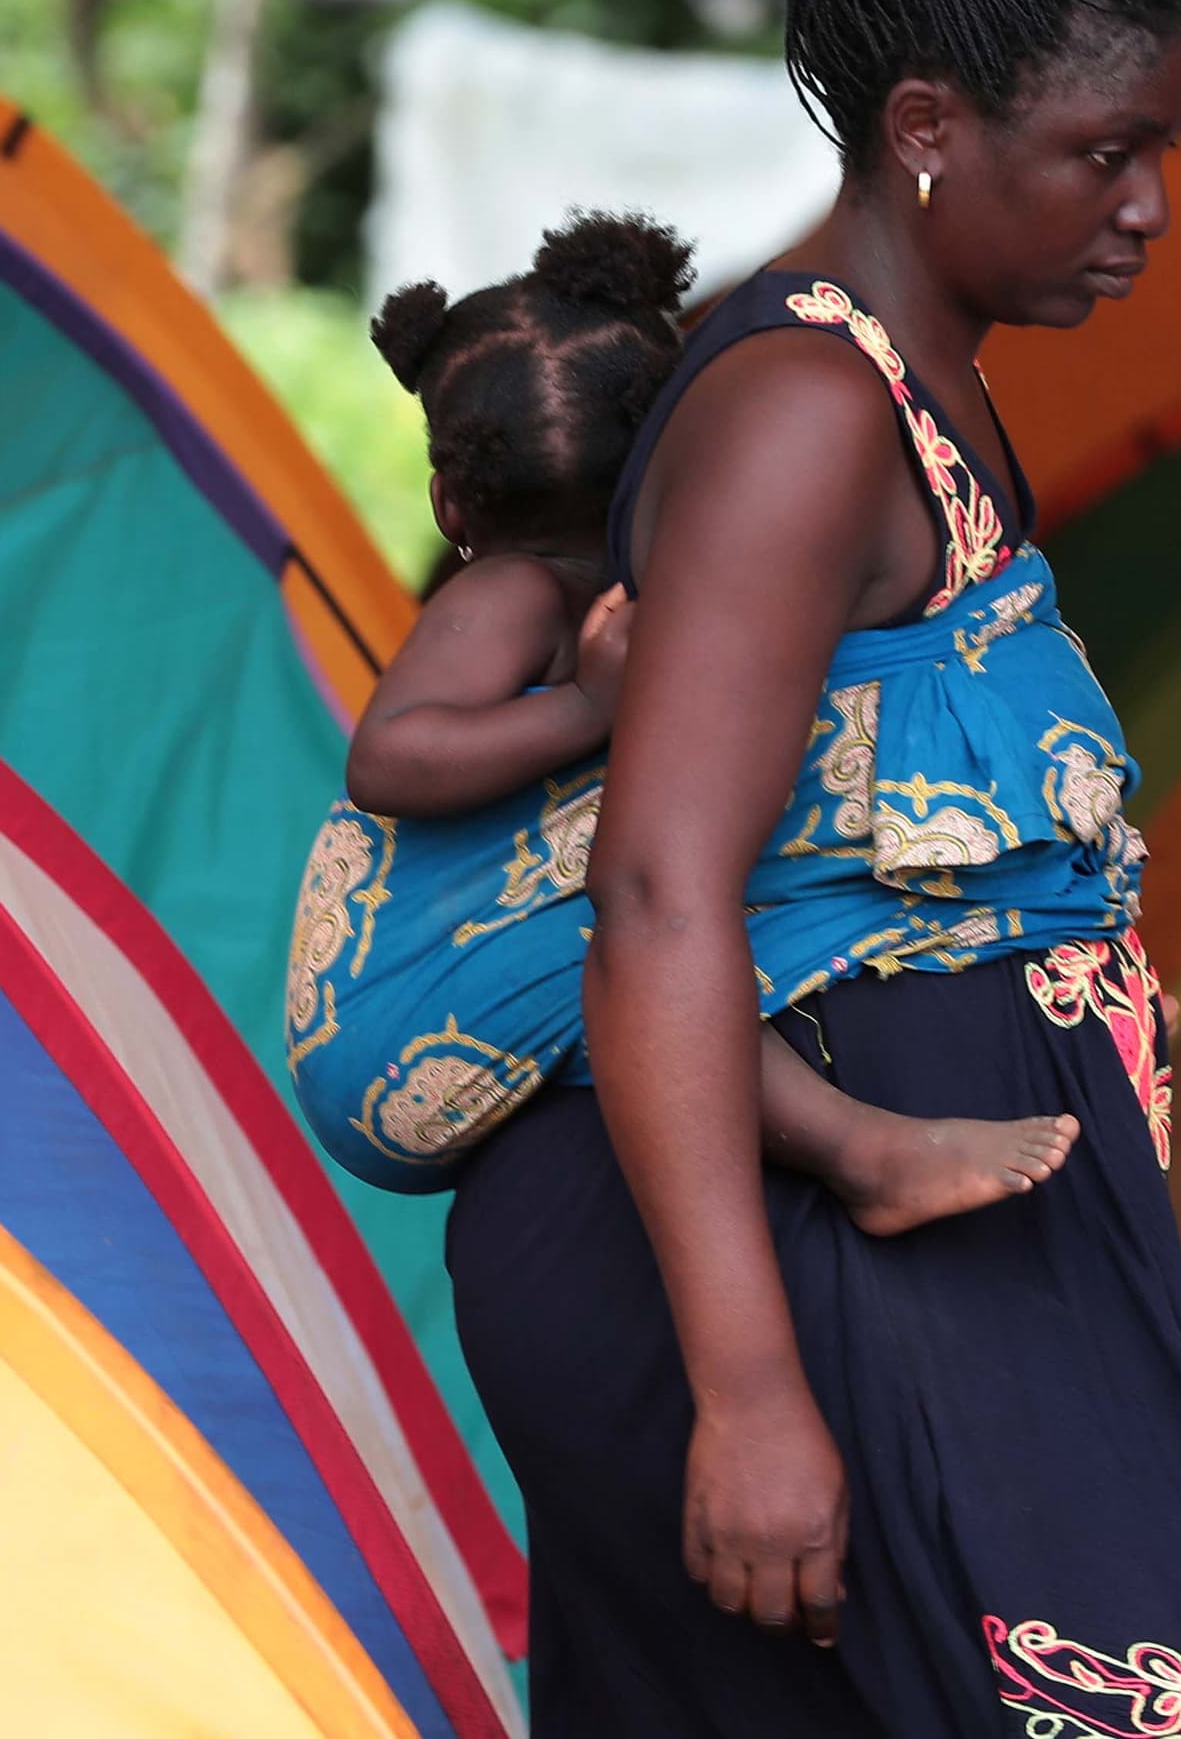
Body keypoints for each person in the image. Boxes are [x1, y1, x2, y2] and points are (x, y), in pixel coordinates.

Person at [423, 0, 1181, 1735]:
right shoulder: (802, 418)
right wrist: (756, 1396)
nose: (1150, 212)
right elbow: (663, 900)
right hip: (780, 1284)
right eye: (1106, 154)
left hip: (940, 1247)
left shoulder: (917, 393)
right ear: (933, 126)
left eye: (1163, 153)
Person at [289, 210, 1078, 1228]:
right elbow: (389, 759)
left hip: (516, 968)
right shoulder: (513, 598)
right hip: (392, 1003)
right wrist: (584, 707)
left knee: (690, 903)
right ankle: (861, 1152)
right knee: (659, 949)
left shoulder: (680, 589)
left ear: (449, 502)